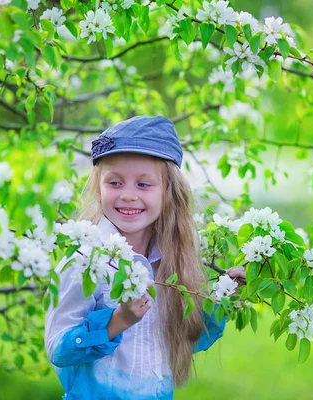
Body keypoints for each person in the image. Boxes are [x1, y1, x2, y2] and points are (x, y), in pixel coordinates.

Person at [44, 116, 245, 399]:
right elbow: (59, 348)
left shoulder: (172, 262)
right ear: (99, 187)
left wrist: (224, 298)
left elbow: (184, 340)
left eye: (143, 185)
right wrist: (117, 321)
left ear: (168, 194)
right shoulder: (85, 259)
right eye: (114, 182)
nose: (127, 195)